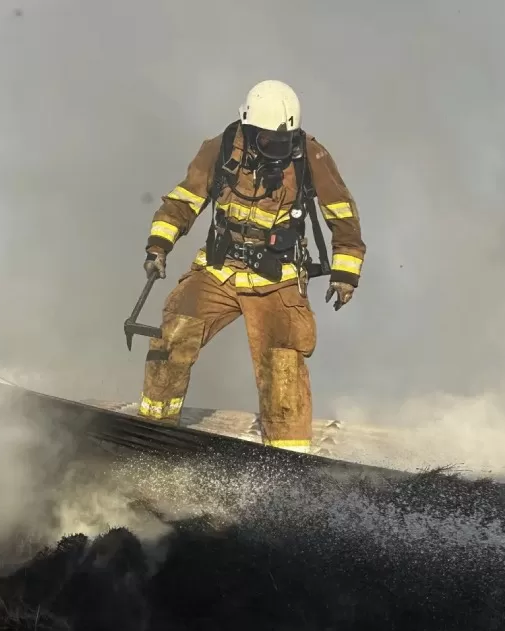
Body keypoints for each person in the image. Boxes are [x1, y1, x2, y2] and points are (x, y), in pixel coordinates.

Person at [136, 79, 366, 454]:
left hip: (278, 279)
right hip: (218, 269)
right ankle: (153, 434)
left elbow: (342, 216)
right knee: (173, 333)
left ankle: (286, 462)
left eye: (283, 141)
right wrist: (158, 246)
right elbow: (182, 202)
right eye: (267, 140)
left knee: (282, 371)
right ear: (247, 126)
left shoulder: (310, 157)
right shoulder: (220, 149)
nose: (277, 148)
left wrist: (345, 274)